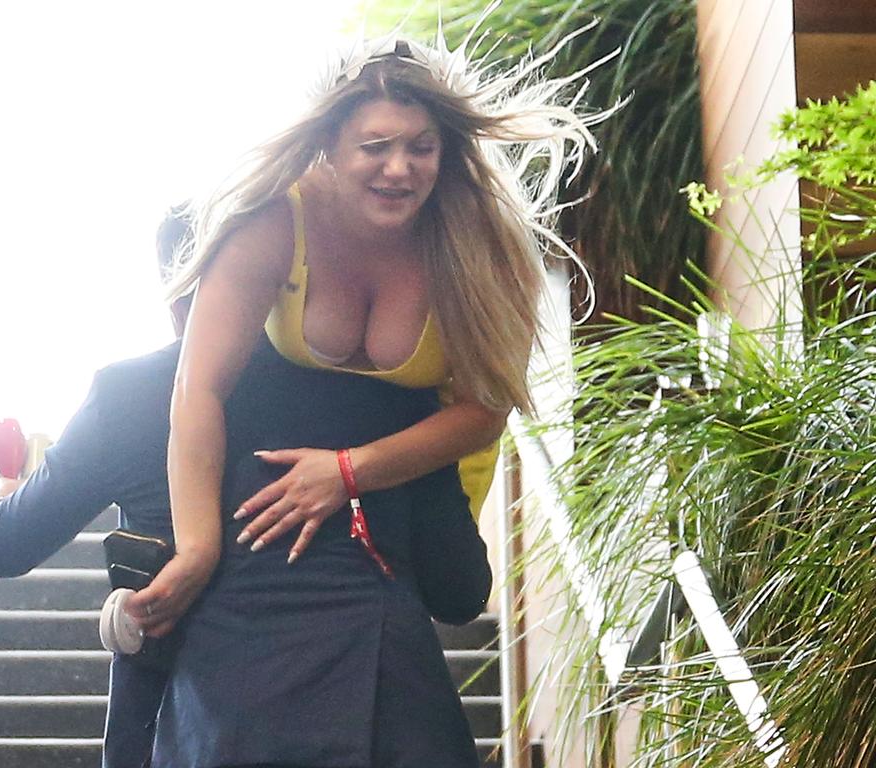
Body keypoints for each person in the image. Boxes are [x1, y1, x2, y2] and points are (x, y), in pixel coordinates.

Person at [134, 26, 601, 768]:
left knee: (436, 628)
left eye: (420, 146)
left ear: (446, 151)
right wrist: (197, 546)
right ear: (329, 145)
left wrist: (347, 472)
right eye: (375, 146)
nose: (399, 167)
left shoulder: (482, 240)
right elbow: (196, 388)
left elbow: (485, 412)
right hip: (291, 494)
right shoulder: (273, 219)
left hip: (424, 458)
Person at [0, 209, 491, 768]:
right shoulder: (387, 393)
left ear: (176, 294)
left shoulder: (126, 397)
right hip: (385, 718)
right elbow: (458, 590)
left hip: (200, 720)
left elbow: (4, 546)